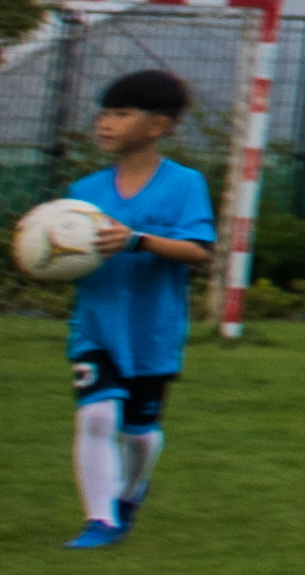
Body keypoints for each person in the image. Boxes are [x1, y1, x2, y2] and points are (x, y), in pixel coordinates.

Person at [57, 73, 222, 550]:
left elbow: (199, 251)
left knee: (140, 434)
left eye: (121, 114)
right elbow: (67, 253)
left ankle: (130, 495)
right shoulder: (84, 190)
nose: (105, 123)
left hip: (153, 332)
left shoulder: (185, 185)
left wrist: (137, 241)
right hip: (95, 328)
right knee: (96, 417)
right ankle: (100, 521)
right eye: (104, 113)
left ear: (157, 126)